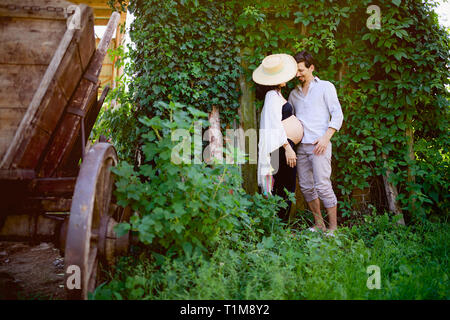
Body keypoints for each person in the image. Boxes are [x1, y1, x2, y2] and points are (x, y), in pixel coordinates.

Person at [288, 51, 344, 235]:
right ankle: (319, 224)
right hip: (301, 147)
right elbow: (291, 121)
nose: (298, 74)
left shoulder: (326, 87)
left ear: (311, 68)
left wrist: (326, 137)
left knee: (323, 186)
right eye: (296, 71)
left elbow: (337, 114)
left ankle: (333, 229)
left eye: (301, 70)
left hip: (320, 145)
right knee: (305, 187)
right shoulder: (293, 94)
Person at [253, 54, 304, 222]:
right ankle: (280, 228)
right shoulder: (271, 97)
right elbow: (274, 124)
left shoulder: (275, 94)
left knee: (284, 187)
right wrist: (287, 147)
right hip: (282, 148)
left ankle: (279, 227)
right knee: (285, 188)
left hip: (283, 147)